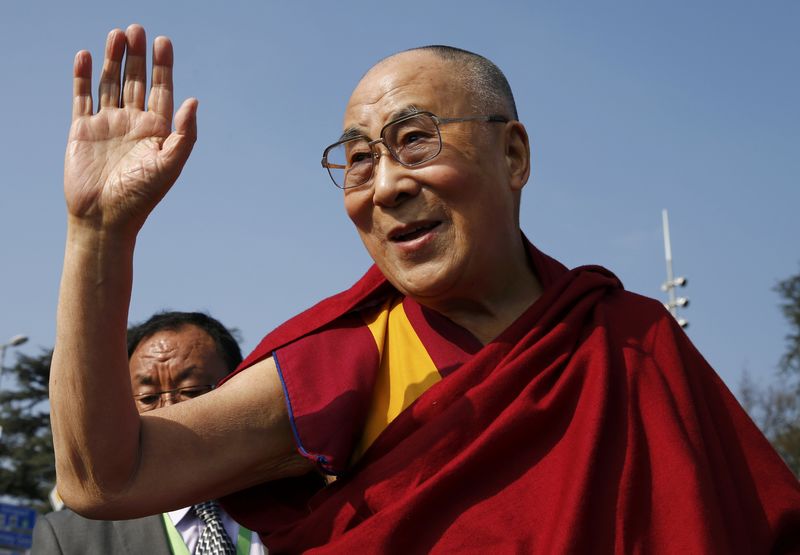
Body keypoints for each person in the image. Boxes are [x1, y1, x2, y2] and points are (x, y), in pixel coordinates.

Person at [50, 24, 800, 553]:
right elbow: (103, 478)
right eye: (358, 159)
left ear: (512, 153)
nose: (386, 185)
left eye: (414, 140)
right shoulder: (351, 358)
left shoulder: (631, 342)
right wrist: (99, 232)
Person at [34, 312, 265, 554]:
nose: (169, 410)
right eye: (148, 398)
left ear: (239, 389)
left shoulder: (303, 506)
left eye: (191, 391)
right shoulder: (69, 539)